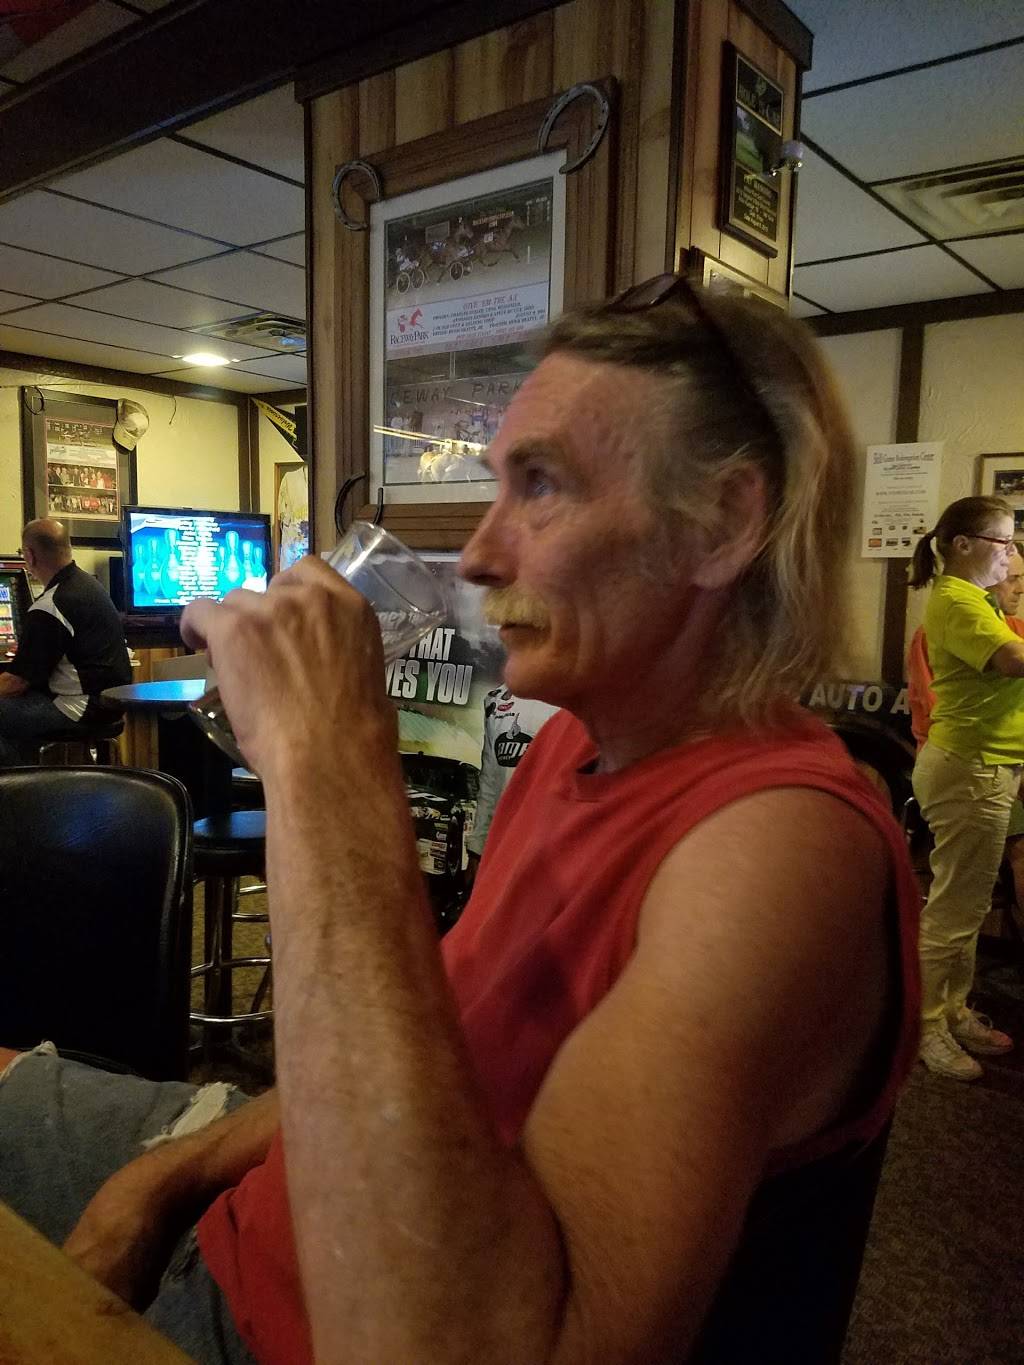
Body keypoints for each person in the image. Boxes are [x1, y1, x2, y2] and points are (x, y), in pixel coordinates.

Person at [0, 280, 921, 1365]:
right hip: (249, 1200)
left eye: (540, 484)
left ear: (719, 524)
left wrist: (323, 765)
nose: (478, 556)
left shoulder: (775, 849)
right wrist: (167, 1176)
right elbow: (415, 1049)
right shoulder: (572, 747)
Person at [908, 499, 1024, 1081]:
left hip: (983, 765)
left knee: (968, 905)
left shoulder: (977, 599)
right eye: (1004, 542)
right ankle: (923, 1026)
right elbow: (1012, 660)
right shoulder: (957, 599)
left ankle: (951, 1008)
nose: (1012, 554)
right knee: (953, 908)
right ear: (963, 545)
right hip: (969, 768)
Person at [907, 545, 1024, 912]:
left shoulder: (1016, 631)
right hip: (968, 765)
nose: (1021, 588)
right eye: (1013, 579)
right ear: (986, 582)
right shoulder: (937, 632)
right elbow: (940, 713)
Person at [0, 517, 131, 765]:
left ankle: (18, 786)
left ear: (29, 555)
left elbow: (16, 682)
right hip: (110, 703)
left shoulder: (51, 605)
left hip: (80, 708)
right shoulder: (90, 585)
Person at [464, 683, 557, 877]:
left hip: (549, 848)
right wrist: (477, 849)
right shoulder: (495, 699)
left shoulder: (567, 696)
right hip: (503, 846)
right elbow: (489, 781)